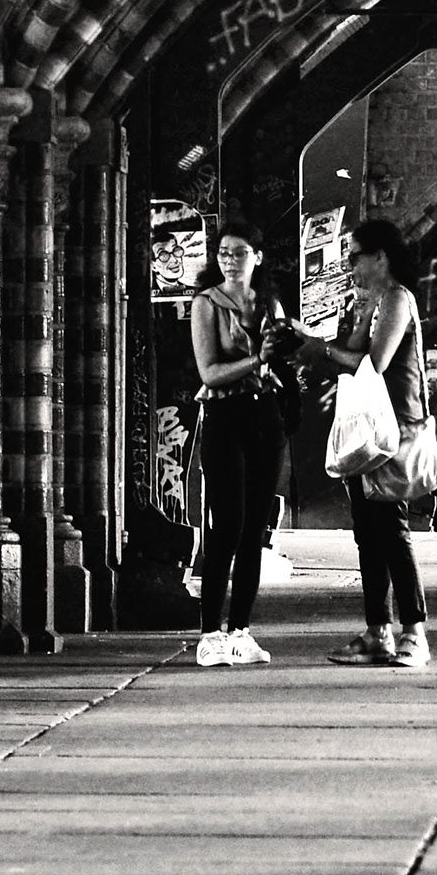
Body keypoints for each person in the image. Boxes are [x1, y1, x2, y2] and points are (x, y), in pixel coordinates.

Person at [305, 216, 434, 667]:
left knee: (392, 530)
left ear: (381, 257)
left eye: (355, 258)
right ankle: (377, 630)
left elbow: (373, 363)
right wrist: (357, 318)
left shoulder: (398, 298)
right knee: (368, 532)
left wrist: (320, 348)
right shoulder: (377, 302)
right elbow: (355, 351)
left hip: (393, 430)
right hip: (369, 431)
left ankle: (414, 631)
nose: (350, 267)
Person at [184, 222, 290, 668]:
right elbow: (209, 373)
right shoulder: (206, 304)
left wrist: (289, 347)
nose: (229, 260)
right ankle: (209, 633)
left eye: (239, 252)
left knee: (254, 531)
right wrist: (258, 360)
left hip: (265, 415)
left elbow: (281, 358)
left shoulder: (268, 303)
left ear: (257, 257)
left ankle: (240, 632)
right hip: (225, 416)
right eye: (223, 252)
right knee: (226, 524)